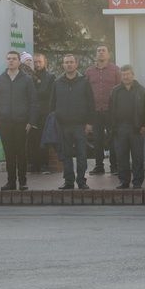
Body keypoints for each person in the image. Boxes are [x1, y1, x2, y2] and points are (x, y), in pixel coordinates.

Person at [0, 50, 38, 191]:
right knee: (9, 153)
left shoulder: (27, 80)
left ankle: (23, 182)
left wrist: (31, 121)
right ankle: (11, 182)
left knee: (21, 153)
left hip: (21, 122)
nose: (11, 61)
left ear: (19, 62)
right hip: (4, 122)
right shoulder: (0, 79)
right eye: (9, 58)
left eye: (14, 59)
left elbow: (33, 102)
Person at [52, 54, 94, 190]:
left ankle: (81, 181)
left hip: (80, 126)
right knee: (66, 155)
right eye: (66, 62)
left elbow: (91, 104)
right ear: (63, 65)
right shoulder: (57, 82)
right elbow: (52, 104)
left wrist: (89, 123)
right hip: (63, 125)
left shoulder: (84, 82)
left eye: (71, 62)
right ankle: (68, 181)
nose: (69, 64)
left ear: (76, 64)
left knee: (82, 155)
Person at [109, 64, 145, 189]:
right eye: (123, 74)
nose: (126, 76)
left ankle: (137, 182)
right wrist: (112, 128)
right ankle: (124, 181)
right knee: (122, 157)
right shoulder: (115, 91)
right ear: (121, 76)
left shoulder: (141, 90)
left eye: (128, 74)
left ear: (133, 75)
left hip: (137, 129)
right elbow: (110, 110)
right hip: (120, 129)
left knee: (138, 157)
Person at [85, 44, 121, 175]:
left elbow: (120, 90)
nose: (100, 53)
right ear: (96, 54)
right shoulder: (89, 71)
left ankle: (114, 166)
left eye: (103, 51)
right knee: (97, 140)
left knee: (113, 139)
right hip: (95, 111)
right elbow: (85, 92)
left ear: (108, 54)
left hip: (111, 111)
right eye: (98, 50)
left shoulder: (115, 70)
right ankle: (99, 166)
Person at [30, 52, 56, 173]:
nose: (37, 64)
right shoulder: (28, 77)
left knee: (43, 140)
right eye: (35, 62)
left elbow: (49, 95)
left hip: (45, 113)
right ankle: (34, 165)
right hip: (31, 114)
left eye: (39, 61)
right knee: (31, 140)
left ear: (44, 62)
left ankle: (45, 165)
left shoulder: (51, 77)